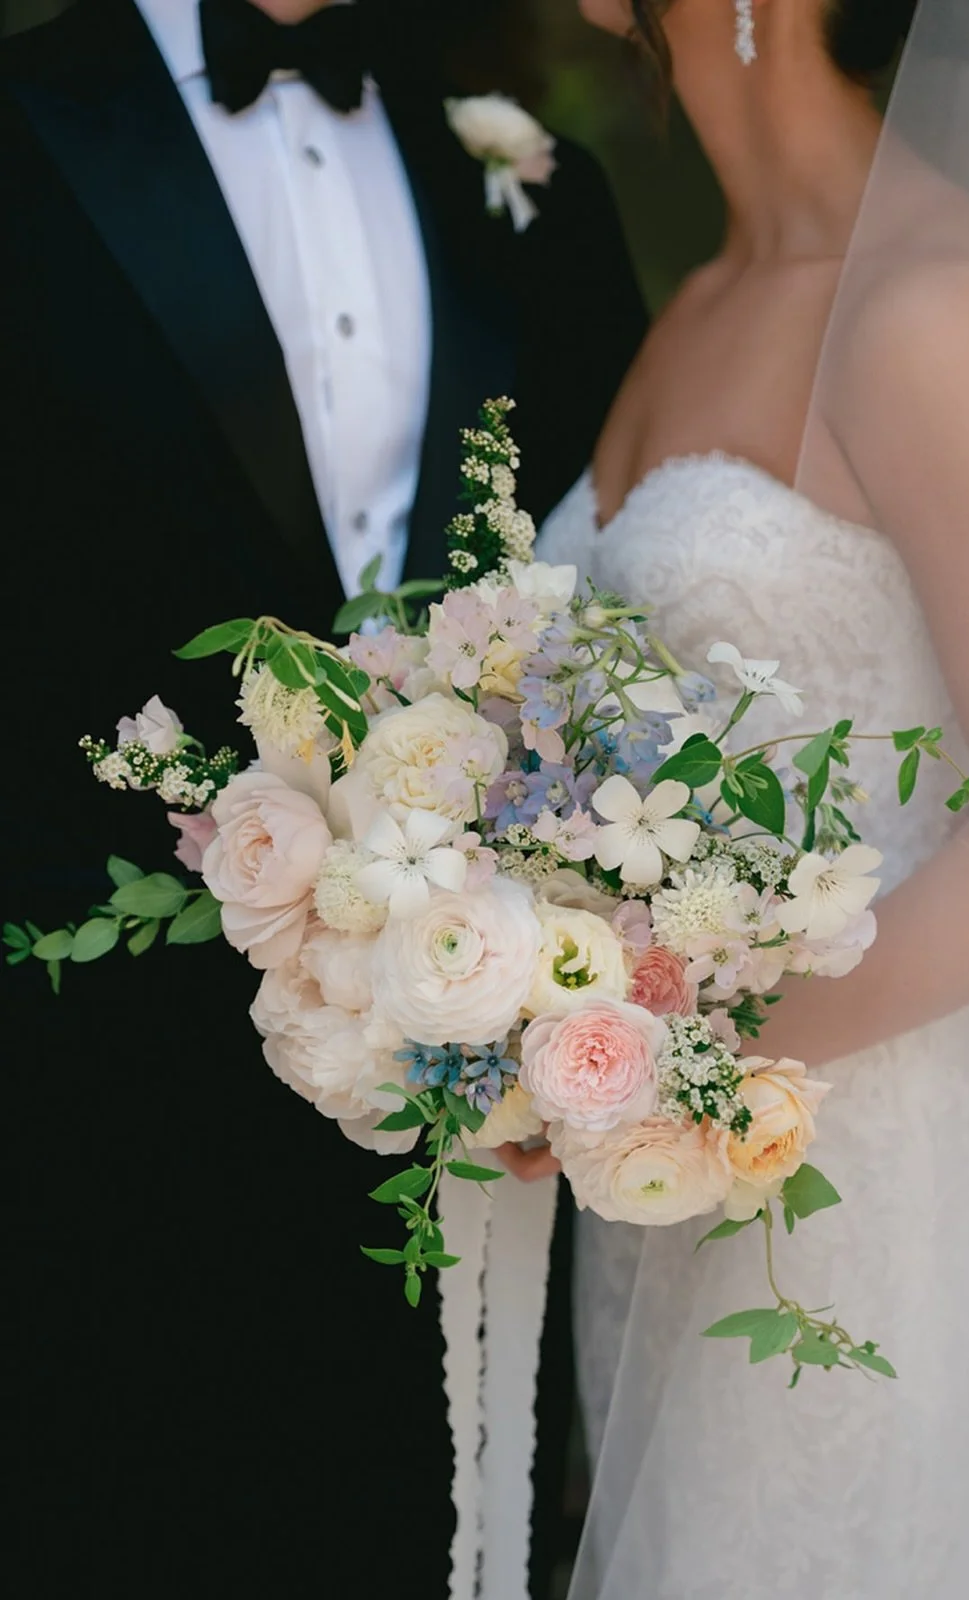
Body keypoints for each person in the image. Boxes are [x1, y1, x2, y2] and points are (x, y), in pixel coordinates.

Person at [537, 1, 969, 1596]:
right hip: (660, 1196)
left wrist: (684, 1059)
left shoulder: (932, 303)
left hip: (856, 1189)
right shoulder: (704, 295)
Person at [0, 1, 644, 1593]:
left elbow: (614, 627)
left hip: (440, 1143)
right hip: (76, 1141)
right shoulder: (24, 119)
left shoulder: (534, 188)